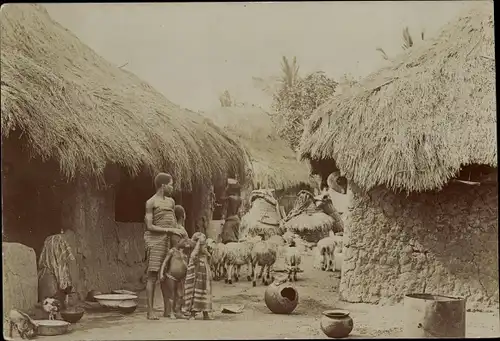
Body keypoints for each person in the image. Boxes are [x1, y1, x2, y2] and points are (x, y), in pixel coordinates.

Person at [144, 172, 185, 320]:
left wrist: (179, 232)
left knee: (167, 276)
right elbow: (149, 226)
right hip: (155, 242)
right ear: (163, 185)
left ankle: (168, 310)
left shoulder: (171, 202)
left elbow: (173, 222)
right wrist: (169, 230)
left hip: (168, 241)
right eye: (171, 184)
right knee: (153, 276)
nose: (172, 187)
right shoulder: (151, 202)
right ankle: (150, 311)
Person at [181, 232, 213, 320]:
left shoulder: (205, 256)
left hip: (204, 278)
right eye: (203, 244)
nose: (205, 246)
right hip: (198, 278)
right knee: (196, 292)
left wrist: (208, 254)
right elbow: (193, 258)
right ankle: (192, 313)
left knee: (205, 292)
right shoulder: (195, 257)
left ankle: (205, 313)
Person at [159, 236, 190, 319]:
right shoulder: (172, 251)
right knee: (172, 295)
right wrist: (161, 273)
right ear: (178, 242)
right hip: (170, 277)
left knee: (180, 295)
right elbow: (165, 262)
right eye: (184, 242)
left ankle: (178, 311)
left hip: (180, 278)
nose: (186, 243)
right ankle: (171, 312)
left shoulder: (185, 254)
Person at [219, 179, 242, 244]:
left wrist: (222, 220)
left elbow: (225, 209)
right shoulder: (239, 199)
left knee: (227, 242)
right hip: (236, 220)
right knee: (236, 241)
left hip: (229, 221)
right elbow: (238, 211)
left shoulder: (229, 199)